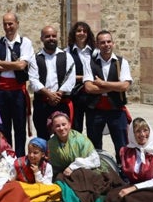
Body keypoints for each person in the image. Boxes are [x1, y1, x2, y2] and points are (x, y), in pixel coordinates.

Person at [48, 111, 122, 202]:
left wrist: (74, 166)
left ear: (69, 124)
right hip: (68, 172)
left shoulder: (79, 139)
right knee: (60, 179)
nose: (61, 128)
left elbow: (95, 160)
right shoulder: (52, 143)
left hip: (91, 168)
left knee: (79, 177)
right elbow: (53, 165)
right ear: (53, 128)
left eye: (64, 124)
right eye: (57, 126)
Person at [0, 12, 34, 156]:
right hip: (0, 92)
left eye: (11, 23)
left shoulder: (25, 42)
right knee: (3, 127)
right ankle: (6, 156)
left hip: (18, 91)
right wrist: (12, 64)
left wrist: (0, 63)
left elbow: (21, 66)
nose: (8, 27)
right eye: (5, 24)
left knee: (19, 127)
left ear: (17, 24)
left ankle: (19, 157)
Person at [83, 30, 132, 161]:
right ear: (97, 45)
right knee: (94, 145)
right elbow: (88, 88)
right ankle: (98, 172)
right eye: (102, 42)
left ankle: (123, 173)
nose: (106, 45)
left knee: (121, 145)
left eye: (109, 41)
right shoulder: (90, 62)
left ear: (113, 43)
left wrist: (102, 84)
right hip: (95, 110)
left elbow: (125, 86)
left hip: (116, 109)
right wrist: (114, 87)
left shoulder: (122, 62)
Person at [28, 25, 76, 140]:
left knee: (63, 136)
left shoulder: (66, 56)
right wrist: (49, 94)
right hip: (42, 103)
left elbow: (71, 78)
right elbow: (33, 80)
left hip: (62, 101)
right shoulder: (35, 58)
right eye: (47, 36)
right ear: (42, 39)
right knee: (42, 136)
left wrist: (58, 94)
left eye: (53, 36)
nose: (51, 38)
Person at [11, 137, 62, 202]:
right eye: (29, 152)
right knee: (15, 186)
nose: (31, 155)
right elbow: (12, 180)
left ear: (43, 154)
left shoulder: (47, 166)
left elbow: (46, 185)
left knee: (56, 189)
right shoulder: (19, 163)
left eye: (35, 153)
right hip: (24, 189)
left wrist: (37, 173)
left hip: (37, 190)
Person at [66, 21, 96, 133]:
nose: (81, 33)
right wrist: (86, 78)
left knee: (93, 127)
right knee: (75, 126)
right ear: (74, 33)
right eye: (79, 31)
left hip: (92, 94)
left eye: (84, 31)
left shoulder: (95, 52)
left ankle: (93, 150)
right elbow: (66, 76)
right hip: (76, 94)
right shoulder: (67, 52)